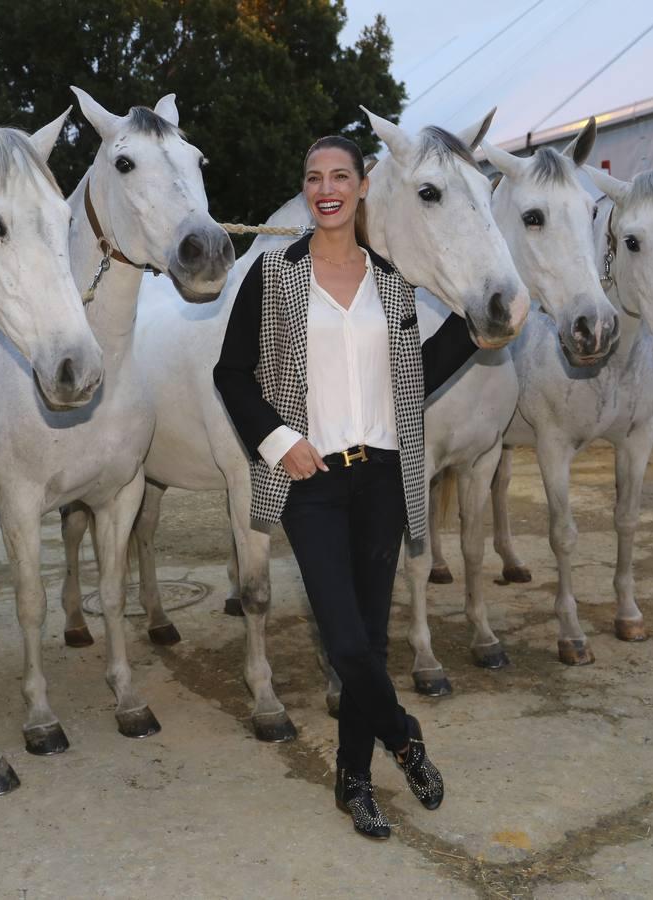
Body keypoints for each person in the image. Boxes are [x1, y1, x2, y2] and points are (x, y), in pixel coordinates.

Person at [213, 134, 478, 838]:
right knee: (345, 642)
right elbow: (231, 374)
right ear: (306, 191)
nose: (326, 187)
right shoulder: (272, 275)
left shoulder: (393, 282)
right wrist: (280, 443)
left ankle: (352, 779)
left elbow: (409, 377)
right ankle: (404, 736)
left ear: (362, 187)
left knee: (369, 638)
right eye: (313, 177)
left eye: (339, 175)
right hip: (314, 481)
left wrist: (474, 330)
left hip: (384, 476)